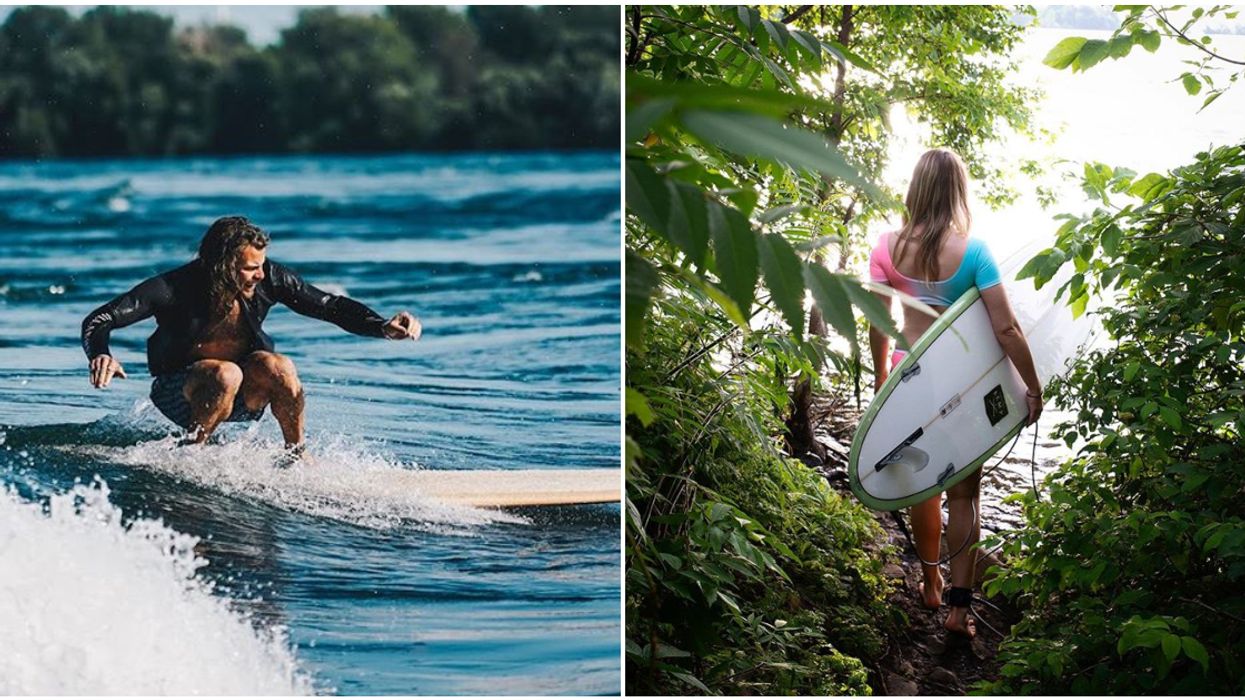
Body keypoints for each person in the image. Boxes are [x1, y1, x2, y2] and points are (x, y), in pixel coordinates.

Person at [866, 148, 1043, 638]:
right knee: (964, 493)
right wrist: (1032, 387)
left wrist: (880, 382)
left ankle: (930, 580)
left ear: (915, 189)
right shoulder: (976, 252)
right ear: (957, 191)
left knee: (923, 482)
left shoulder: (885, 247)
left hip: (909, 385)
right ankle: (960, 612)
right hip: (963, 390)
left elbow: (879, 324)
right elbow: (1006, 329)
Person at [81, 216, 421, 457]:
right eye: (250, 268)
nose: (261, 274)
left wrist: (380, 326)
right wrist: (101, 352)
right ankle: (191, 456)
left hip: (243, 394)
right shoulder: (173, 288)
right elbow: (100, 318)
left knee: (279, 366)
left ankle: (295, 455)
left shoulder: (269, 277)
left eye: (262, 265)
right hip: (179, 393)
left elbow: (329, 306)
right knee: (225, 372)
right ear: (222, 265)